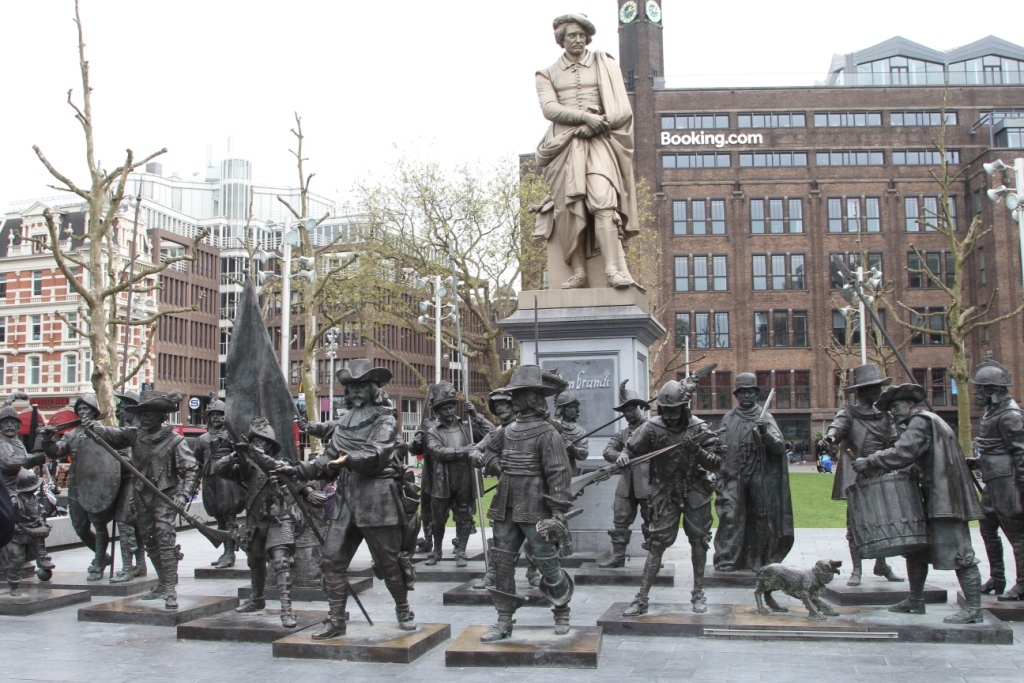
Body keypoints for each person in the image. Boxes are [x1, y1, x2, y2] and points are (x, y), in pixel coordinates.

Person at [277, 359, 416, 639]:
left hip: (377, 497)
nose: (355, 392)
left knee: (388, 563)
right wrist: (297, 470)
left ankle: (403, 609)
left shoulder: (385, 419)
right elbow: (326, 460)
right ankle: (336, 619)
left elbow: (377, 452)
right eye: (351, 386)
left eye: (361, 386)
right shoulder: (343, 422)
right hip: (346, 498)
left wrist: (349, 459)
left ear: (373, 388)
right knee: (332, 560)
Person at [853, 384, 985, 623]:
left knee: (960, 552)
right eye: (890, 410)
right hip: (932, 496)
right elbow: (922, 459)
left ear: (910, 404)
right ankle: (915, 599)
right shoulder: (926, 422)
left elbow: (904, 451)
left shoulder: (921, 422)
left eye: (896, 407)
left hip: (945, 499)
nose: (894, 413)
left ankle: (974, 608)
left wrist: (871, 461)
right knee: (916, 550)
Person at [532, 13, 639, 290]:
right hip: (563, 145)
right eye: (572, 35)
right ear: (561, 39)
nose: (578, 40)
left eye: (582, 35)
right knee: (567, 210)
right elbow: (549, 109)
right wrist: (583, 117)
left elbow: (622, 108)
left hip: (599, 141)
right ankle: (579, 273)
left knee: (603, 201)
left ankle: (612, 270)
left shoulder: (604, 63)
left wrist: (596, 123)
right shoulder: (547, 74)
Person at [469, 365, 575, 641]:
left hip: (535, 504)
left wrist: (557, 511)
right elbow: (484, 451)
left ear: (532, 397)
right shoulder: (507, 430)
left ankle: (561, 609)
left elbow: (559, 473)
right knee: (502, 562)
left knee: (546, 561)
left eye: (518, 394)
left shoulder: (547, 432)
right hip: (505, 503)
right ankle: (504, 620)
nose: (512, 399)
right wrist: (493, 463)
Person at [69, 390, 198, 610]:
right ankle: (162, 582)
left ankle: (170, 589)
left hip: (165, 497)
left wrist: (183, 495)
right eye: (142, 413)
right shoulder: (134, 435)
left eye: (149, 414)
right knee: (149, 541)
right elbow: (111, 434)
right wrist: (94, 427)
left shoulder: (174, 440)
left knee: (164, 539)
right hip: (141, 496)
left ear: (160, 416)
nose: (144, 418)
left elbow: (191, 469)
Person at [620, 377, 725, 616]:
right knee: (656, 544)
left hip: (696, 492)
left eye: (674, 410)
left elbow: (717, 463)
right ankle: (641, 598)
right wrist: (624, 456)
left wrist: (697, 451)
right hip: (664, 494)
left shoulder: (699, 428)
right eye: (665, 410)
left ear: (683, 407)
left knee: (698, 542)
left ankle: (698, 593)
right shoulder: (651, 427)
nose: (669, 416)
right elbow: (630, 448)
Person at [821, 364, 903, 586]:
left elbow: (894, 441)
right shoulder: (849, 413)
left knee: (883, 520)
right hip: (858, 474)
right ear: (861, 391)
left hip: (881, 471)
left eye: (878, 388)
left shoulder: (885, 416)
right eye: (873, 388)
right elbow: (837, 427)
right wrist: (830, 437)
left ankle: (881, 564)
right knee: (856, 522)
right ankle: (857, 568)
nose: (877, 392)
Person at [216, 417, 302, 628]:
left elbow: (297, 482)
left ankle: (287, 610)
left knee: (281, 563)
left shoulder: (280, 464)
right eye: (254, 442)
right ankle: (257, 599)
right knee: (255, 561)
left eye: (262, 442)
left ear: (270, 446)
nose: (257, 445)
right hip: (255, 522)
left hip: (278, 520)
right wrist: (236, 453)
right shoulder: (246, 468)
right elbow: (219, 469)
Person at [713, 373, 793, 572]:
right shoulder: (729, 418)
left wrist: (765, 433)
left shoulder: (765, 417)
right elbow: (719, 449)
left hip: (759, 473)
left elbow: (778, 448)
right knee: (731, 515)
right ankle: (728, 558)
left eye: (750, 392)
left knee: (761, 515)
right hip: (735, 475)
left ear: (756, 394)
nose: (747, 396)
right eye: (743, 392)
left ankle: (758, 557)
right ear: (736, 395)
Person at [40, 394, 121, 581]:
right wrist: (48, 441)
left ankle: (98, 562)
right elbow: (56, 452)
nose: (83, 412)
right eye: (80, 409)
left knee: (99, 525)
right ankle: (103, 556)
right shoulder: (71, 435)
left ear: (94, 412)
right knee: (80, 527)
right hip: (77, 486)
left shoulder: (104, 432)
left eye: (87, 409)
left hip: (98, 486)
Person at [967, 356, 1024, 601]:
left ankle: (1022, 584)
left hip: (1007, 483)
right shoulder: (991, 412)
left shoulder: (1010, 415)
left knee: (1016, 535)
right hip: (992, 480)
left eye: (980, 389)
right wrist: (977, 462)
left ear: (993, 390)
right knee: (988, 529)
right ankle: (997, 577)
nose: (976, 393)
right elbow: (995, 449)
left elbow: (1020, 453)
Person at [422, 383, 488, 567]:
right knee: (438, 519)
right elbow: (438, 452)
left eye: (451, 407)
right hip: (442, 481)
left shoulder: (467, 427)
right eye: (444, 408)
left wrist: (476, 415)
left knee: (464, 515)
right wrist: (463, 450)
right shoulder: (432, 432)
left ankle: (461, 551)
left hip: (464, 478)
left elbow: (492, 433)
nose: (449, 411)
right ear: (437, 412)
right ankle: (436, 551)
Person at [598, 380, 651, 568]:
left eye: (631, 409)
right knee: (620, 518)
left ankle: (654, 558)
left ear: (640, 408)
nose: (628, 414)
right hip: (627, 482)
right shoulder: (622, 434)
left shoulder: (652, 428)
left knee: (651, 519)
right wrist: (620, 456)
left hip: (648, 482)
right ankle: (618, 557)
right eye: (625, 411)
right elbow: (608, 451)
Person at [193, 400, 246, 569]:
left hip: (226, 478)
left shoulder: (231, 436)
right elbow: (197, 461)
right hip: (209, 478)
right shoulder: (202, 439)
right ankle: (225, 551)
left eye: (220, 415)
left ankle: (230, 554)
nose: (216, 418)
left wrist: (231, 442)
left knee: (229, 516)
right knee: (218, 516)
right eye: (213, 415)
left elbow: (242, 455)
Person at [0, 470, 54, 594]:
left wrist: (42, 525)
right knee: (17, 561)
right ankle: (14, 586)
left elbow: (39, 516)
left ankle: (42, 559)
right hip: (17, 537)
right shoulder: (15, 501)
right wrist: (16, 528)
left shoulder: (35, 501)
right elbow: (8, 518)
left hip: (32, 536)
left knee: (32, 554)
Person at [553, 390, 589, 475]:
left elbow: (584, 454)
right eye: (570, 407)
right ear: (562, 409)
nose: (573, 410)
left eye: (574, 407)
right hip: (553, 468)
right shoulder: (552, 426)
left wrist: (573, 449)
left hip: (571, 471)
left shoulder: (581, 431)